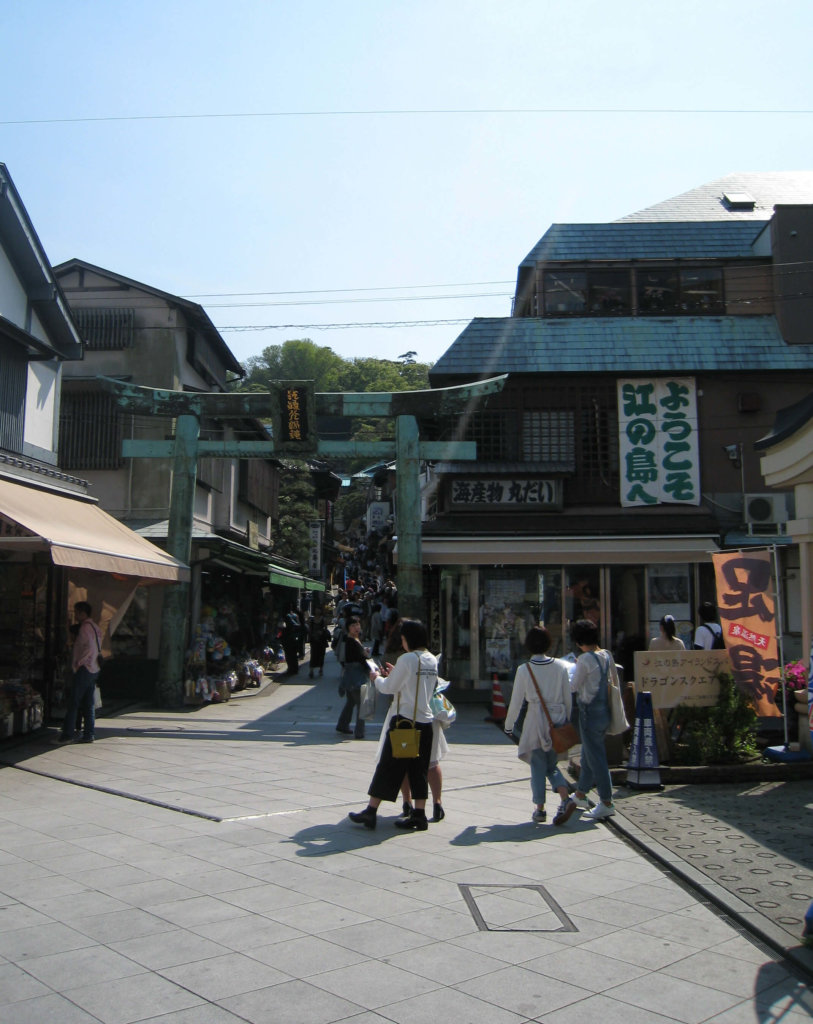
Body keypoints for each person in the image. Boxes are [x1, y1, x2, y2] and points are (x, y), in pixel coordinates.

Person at [348, 619, 436, 831]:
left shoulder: (407, 659)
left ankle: (371, 811)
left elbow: (388, 688)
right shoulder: (431, 660)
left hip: (404, 722)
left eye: (404, 639)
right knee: (419, 769)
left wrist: (377, 677)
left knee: (388, 766)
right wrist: (397, 673)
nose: (402, 642)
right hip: (426, 722)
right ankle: (420, 814)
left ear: (409, 639)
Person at [504, 626, 573, 825]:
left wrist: (509, 726)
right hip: (557, 720)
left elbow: (516, 702)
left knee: (537, 765)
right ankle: (564, 797)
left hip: (535, 719)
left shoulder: (524, 670)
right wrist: (565, 721)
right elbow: (567, 697)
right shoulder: (560, 666)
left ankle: (540, 808)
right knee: (551, 764)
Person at [554, 619, 618, 825]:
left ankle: (607, 802)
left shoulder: (584, 660)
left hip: (589, 714)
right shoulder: (605, 655)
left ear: (579, 641)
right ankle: (580, 795)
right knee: (588, 755)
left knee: (596, 758)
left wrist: (568, 670)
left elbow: (573, 686)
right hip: (604, 712)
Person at [54, 601, 102, 745]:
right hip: (94, 668)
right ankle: (89, 734)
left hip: (85, 668)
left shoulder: (85, 629)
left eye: (76, 612)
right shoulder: (95, 627)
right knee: (88, 703)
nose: (75, 615)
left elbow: (88, 648)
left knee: (74, 702)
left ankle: (67, 734)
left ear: (82, 613)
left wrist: (78, 663)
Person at [335, 617, 369, 739]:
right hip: (355, 676)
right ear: (348, 628)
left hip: (351, 676)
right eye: (353, 625)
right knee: (361, 704)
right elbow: (358, 658)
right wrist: (369, 666)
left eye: (357, 625)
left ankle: (342, 725)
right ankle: (359, 731)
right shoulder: (349, 640)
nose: (356, 627)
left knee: (351, 702)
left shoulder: (355, 639)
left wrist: (364, 653)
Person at [308, 607, 330, 678]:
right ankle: (311, 670)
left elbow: (325, 629)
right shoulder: (311, 619)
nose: (317, 610)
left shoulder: (323, 619)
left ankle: (321, 669)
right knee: (313, 655)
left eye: (319, 609)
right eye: (316, 609)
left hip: (321, 640)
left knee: (321, 655)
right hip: (314, 639)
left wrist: (322, 632)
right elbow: (310, 629)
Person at [281, 605, 301, 676]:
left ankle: (291, 668)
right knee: (294, 654)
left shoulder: (287, 616)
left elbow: (291, 625)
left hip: (288, 637)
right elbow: (298, 625)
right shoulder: (295, 615)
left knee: (289, 654)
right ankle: (295, 668)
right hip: (295, 637)